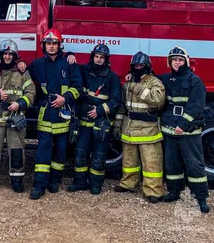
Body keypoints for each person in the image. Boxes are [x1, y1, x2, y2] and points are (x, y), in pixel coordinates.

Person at [29, 28, 83, 200]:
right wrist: (21, 64)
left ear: (60, 45)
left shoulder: (69, 63)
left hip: (63, 113)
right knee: (42, 152)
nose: (51, 46)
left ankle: (54, 181)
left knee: (61, 152)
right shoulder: (37, 64)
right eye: (48, 43)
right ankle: (39, 185)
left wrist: (65, 98)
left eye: (54, 43)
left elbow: (78, 88)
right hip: (46, 114)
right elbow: (22, 73)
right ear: (43, 45)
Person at [0, 40, 36, 193]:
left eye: (11, 54)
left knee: (17, 150)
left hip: (15, 118)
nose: (8, 56)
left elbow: (31, 93)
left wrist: (20, 104)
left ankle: (17, 181)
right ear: (0, 55)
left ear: (15, 56)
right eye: (5, 54)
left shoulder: (23, 74)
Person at [159, 46, 210, 213]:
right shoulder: (166, 79)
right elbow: (148, 80)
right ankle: (174, 192)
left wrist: (183, 124)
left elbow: (197, 106)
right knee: (172, 164)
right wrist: (133, 76)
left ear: (186, 61)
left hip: (188, 131)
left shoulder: (194, 80)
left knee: (194, 165)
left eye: (180, 60)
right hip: (170, 130)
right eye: (174, 60)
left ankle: (200, 198)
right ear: (170, 62)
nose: (177, 62)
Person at [68, 44, 122, 195]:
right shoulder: (84, 70)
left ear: (106, 60)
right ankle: (79, 182)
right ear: (92, 57)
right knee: (80, 153)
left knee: (99, 157)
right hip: (84, 122)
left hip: (101, 124)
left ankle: (96, 184)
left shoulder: (112, 78)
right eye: (96, 57)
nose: (98, 60)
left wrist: (99, 110)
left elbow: (116, 100)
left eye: (101, 57)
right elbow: (70, 67)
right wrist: (69, 55)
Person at [113, 52, 165, 203]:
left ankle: (153, 191)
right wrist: (117, 125)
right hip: (129, 128)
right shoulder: (128, 84)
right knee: (129, 161)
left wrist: (135, 87)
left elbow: (157, 100)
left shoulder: (155, 82)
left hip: (148, 130)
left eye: (141, 66)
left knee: (151, 162)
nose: (138, 68)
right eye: (135, 66)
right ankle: (128, 184)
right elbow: (123, 107)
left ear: (147, 66)